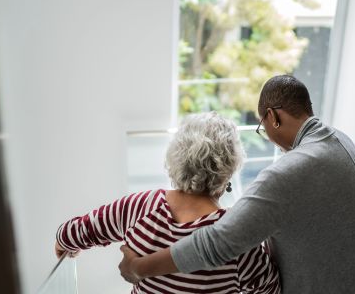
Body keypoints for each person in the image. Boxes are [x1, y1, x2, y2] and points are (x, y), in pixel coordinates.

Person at [119, 75, 355, 293]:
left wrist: (138, 267)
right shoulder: (341, 141)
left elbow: (218, 243)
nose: (266, 134)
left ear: (273, 117)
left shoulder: (286, 173)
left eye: (262, 126)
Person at [55, 112, 280, 294]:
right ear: (230, 166)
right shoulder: (234, 238)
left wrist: (64, 245)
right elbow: (271, 289)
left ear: (176, 155)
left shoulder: (141, 206)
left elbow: (75, 232)